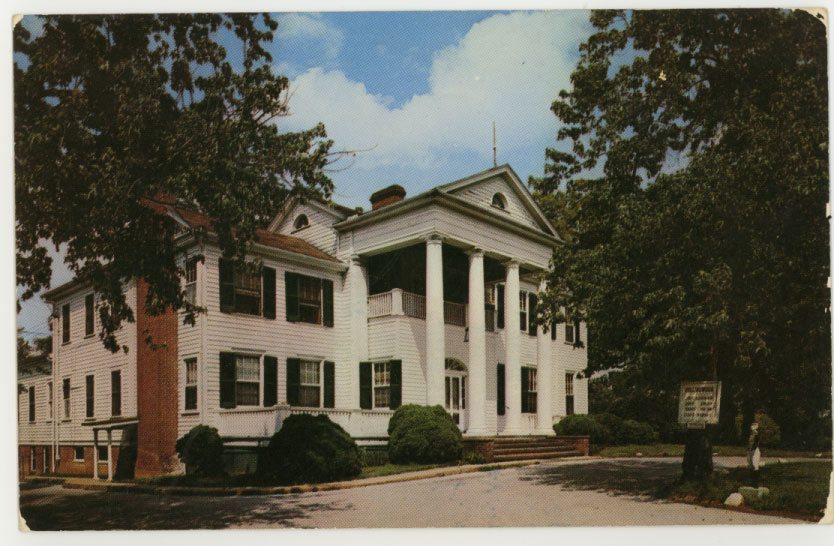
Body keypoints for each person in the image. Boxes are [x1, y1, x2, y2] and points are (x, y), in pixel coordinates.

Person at [747, 422, 761, 487]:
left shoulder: (757, 434)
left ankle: (756, 483)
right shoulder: (750, 435)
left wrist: (752, 449)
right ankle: (751, 482)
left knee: (755, 465)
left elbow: (756, 443)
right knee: (750, 465)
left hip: (755, 451)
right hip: (750, 451)